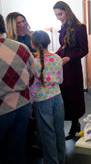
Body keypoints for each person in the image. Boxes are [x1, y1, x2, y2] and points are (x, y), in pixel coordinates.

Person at [0, 14, 35, 164]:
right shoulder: (20, 47)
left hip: (2, 111)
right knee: (17, 151)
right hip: (22, 106)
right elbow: (32, 75)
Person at [53, 1, 88, 140]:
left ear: (67, 11)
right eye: (56, 15)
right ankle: (72, 126)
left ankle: (75, 125)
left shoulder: (80, 27)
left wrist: (68, 58)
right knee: (65, 96)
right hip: (63, 67)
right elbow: (63, 47)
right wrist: (52, 55)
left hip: (73, 68)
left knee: (74, 97)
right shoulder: (63, 26)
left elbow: (84, 50)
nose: (59, 17)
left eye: (60, 14)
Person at [30, 31, 65, 164]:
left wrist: (31, 105)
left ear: (32, 44)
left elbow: (32, 87)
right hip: (58, 98)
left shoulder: (34, 62)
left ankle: (52, 161)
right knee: (59, 131)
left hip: (42, 101)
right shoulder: (57, 58)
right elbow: (60, 80)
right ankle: (61, 160)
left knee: (47, 134)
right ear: (49, 42)